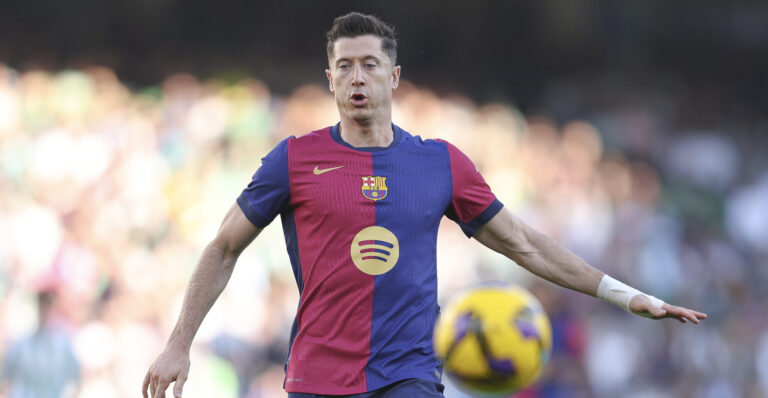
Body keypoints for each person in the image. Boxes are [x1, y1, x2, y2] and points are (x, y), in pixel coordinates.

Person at [142, 12, 707, 398]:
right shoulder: (293, 159)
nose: (356, 76)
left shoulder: (441, 163)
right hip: (317, 377)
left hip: (408, 376)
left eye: (368, 64)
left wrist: (625, 294)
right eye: (344, 66)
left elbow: (525, 243)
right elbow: (222, 248)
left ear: (394, 76)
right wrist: (178, 343)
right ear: (330, 79)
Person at [1, 288, 80, 398]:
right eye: (41, 305)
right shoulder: (20, 345)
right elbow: (6, 379)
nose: (44, 310)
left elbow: (75, 379)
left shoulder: (64, 346)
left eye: (47, 305)